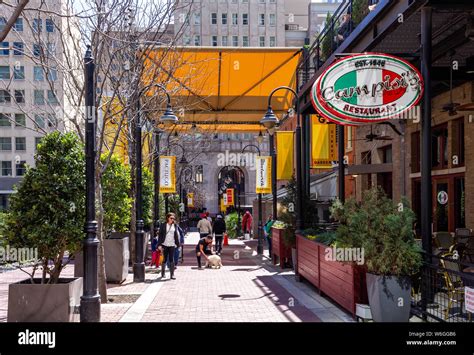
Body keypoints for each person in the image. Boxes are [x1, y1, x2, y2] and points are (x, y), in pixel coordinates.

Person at [157, 212, 180, 280]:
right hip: (164, 244)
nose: (172, 219)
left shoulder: (175, 225)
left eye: (173, 218)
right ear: (168, 218)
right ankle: (163, 273)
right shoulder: (163, 225)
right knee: (164, 259)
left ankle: (172, 275)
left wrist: (177, 244)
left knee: (171, 259)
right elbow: (160, 235)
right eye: (171, 218)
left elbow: (176, 235)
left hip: (172, 244)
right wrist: (159, 245)